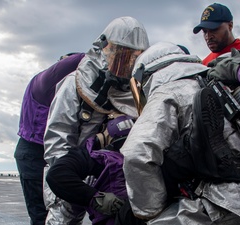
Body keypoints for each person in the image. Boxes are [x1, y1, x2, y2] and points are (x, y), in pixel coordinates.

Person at [120, 41, 240, 224]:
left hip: (214, 207)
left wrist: (150, 211)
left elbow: (137, 153)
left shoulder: (167, 92)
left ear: (147, 75)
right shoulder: (220, 84)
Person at [43, 16, 149, 225]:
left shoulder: (136, 91)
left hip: (110, 173)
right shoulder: (73, 85)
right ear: (104, 49)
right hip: (74, 169)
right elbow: (57, 143)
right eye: (121, 56)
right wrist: (72, 185)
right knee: (62, 220)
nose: (126, 65)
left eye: (132, 58)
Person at [14, 52, 85, 225]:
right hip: (34, 154)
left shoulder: (65, 94)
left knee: (62, 213)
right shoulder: (43, 81)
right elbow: (79, 60)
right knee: (41, 215)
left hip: (41, 153)